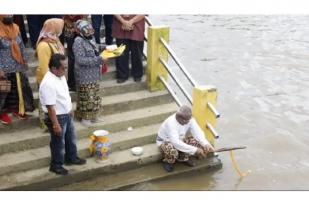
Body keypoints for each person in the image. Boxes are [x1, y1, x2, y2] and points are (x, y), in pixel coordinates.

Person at [39, 53, 86, 175]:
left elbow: (64, 94)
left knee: (71, 138)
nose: (66, 70)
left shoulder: (60, 76)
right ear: (54, 68)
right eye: (63, 68)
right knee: (58, 143)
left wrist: (70, 109)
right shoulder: (48, 83)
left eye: (66, 67)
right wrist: (55, 125)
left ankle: (71, 158)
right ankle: (56, 165)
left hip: (66, 114)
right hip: (57, 117)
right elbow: (50, 107)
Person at [156, 105, 215, 172]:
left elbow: (197, 132)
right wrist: (195, 150)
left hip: (180, 139)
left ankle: (183, 158)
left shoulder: (190, 119)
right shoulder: (171, 123)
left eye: (189, 119)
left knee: (198, 143)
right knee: (172, 150)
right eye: (186, 120)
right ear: (179, 117)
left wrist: (206, 144)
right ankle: (168, 162)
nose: (188, 122)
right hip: (165, 141)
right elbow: (175, 143)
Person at [0, 15, 35, 125]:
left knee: (19, 90)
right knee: (4, 92)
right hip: (4, 67)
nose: (9, 16)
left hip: (17, 65)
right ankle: (2, 113)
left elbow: (21, 47)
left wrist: (24, 61)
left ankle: (17, 110)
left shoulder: (16, 27)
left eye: (11, 13)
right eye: (6, 14)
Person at [73, 20, 106, 127]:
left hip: (94, 74)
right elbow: (80, 60)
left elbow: (95, 48)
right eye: (87, 32)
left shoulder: (90, 38)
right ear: (81, 32)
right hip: (84, 75)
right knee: (86, 97)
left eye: (91, 32)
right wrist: (99, 59)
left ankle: (94, 116)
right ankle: (85, 118)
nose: (90, 34)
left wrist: (108, 49)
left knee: (95, 97)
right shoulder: (78, 41)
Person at [36, 18, 65, 129]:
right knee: (47, 103)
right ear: (54, 28)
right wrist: (52, 82)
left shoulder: (55, 40)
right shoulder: (44, 45)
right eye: (59, 26)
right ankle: (47, 124)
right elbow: (44, 67)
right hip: (48, 80)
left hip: (57, 77)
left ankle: (54, 122)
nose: (61, 28)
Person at [112, 15, 145, 83]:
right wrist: (123, 21)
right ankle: (122, 75)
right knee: (121, 52)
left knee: (137, 52)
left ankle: (137, 74)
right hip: (120, 24)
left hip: (137, 25)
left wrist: (131, 21)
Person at [63, 15, 86, 91]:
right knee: (72, 59)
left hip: (81, 30)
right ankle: (72, 84)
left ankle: (80, 81)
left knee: (81, 56)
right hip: (70, 31)